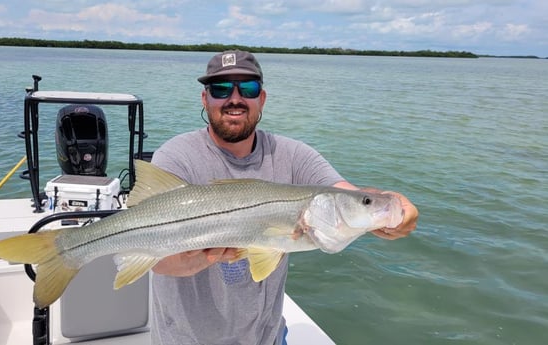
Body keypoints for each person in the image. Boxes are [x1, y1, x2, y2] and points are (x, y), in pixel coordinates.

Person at [149, 50, 418, 345]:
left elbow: (346, 193)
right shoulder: (176, 157)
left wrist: (393, 204)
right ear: (205, 99)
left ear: (261, 98)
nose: (235, 99)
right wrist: (204, 256)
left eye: (248, 88)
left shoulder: (292, 155)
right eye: (221, 88)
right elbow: (158, 263)